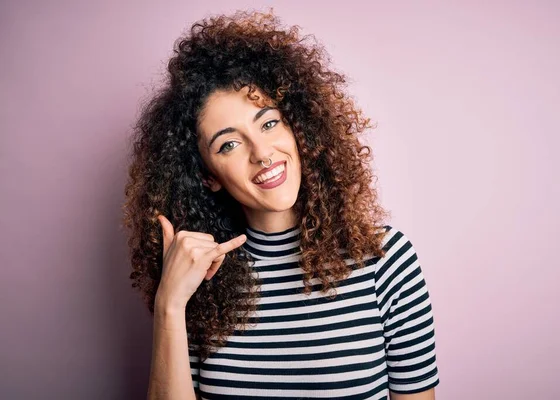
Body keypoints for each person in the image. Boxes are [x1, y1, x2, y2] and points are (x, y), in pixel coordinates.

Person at [122, 8, 440, 400]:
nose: (262, 154)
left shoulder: (385, 259)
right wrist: (170, 302)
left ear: (298, 128)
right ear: (209, 176)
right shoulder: (199, 279)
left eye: (269, 123)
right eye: (229, 144)